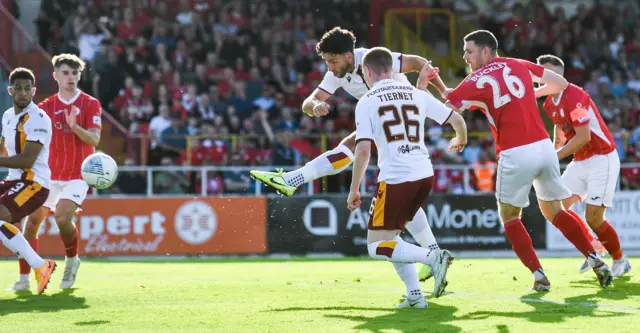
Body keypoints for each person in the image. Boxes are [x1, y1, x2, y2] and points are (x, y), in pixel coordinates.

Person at [250, 26, 447, 282]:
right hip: (390, 131)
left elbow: (418, 62)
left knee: (351, 150)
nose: (329, 68)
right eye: (327, 62)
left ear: (349, 55)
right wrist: (315, 106)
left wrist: (442, 92)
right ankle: (434, 254)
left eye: (332, 61)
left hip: (399, 127)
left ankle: (292, 180)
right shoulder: (337, 72)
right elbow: (308, 101)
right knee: (401, 199)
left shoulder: (374, 59)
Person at [422, 30, 613, 290]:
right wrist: (530, 94)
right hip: (544, 147)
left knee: (510, 216)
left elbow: (451, 105)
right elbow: (561, 84)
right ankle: (595, 260)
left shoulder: (476, 78)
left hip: (515, 151)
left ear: (486, 51)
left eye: (469, 51)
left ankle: (539, 276)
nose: (464, 56)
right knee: (555, 211)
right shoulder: (517, 63)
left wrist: (432, 85)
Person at [347, 47, 467, 308]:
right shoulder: (415, 93)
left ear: (367, 72)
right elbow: (457, 120)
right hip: (424, 175)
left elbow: (364, 150)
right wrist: (461, 140)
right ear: (392, 69)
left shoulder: (366, 100)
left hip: (396, 178)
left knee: (376, 245)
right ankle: (415, 297)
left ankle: (433, 257)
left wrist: (353, 189)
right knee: (393, 238)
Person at [8, 54, 102, 291]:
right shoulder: (45, 107)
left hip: (78, 174)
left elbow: (95, 139)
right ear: (56, 76)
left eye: (75, 73)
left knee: (62, 217)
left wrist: (74, 126)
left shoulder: (90, 104)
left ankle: (71, 260)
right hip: (50, 176)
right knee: (31, 225)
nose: (71, 77)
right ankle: (24, 279)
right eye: (66, 73)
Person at [536, 54, 631, 277]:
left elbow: (583, 137)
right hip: (580, 161)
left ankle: (620, 259)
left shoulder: (575, 95)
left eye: (546, 73)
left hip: (602, 158)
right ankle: (594, 249)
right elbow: (560, 131)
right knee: (556, 207)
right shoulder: (549, 103)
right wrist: (554, 149)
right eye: (540, 74)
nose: (541, 78)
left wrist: (554, 157)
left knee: (594, 218)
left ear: (559, 75)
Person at [1, 67, 56, 295]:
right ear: (10, 90)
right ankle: (35, 271)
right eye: (19, 89)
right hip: (14, 181)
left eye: (27, 89)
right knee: (5, 225)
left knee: (2, 218)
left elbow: (27, 159)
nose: (23, 93)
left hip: (35, 184)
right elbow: (3, 150)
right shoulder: (6, 116)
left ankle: (40, 266)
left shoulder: (39, 119)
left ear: (34, 91)